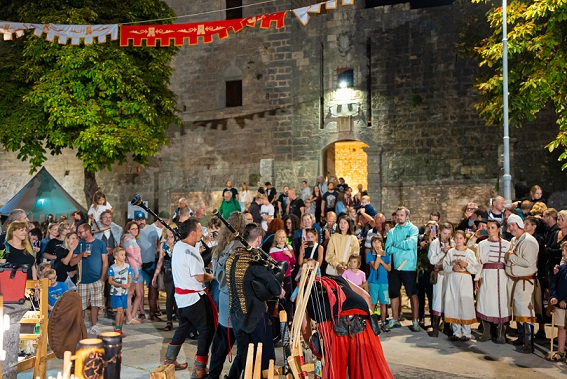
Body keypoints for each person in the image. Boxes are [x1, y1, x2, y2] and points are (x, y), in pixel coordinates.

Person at [302, 275, 393, 379]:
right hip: (361, 320)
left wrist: (313, 346)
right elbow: (367, 297)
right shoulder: (338, 279)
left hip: (332, 326)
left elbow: (305, 329)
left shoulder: (302, 293)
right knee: (369, 370)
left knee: (334, 372)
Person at [226, 224, 284, 379]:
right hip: (254, 316)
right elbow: (274, 286)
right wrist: (280, 290)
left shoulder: (231, 258)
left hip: (236, 315)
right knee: (266, 355)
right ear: (259, 239)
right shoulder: (253, 261)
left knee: (244, 355)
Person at [164, 218, 216, 377]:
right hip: (194, 298)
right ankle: (200, 368)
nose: (203, 233)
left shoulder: (179, 246)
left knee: (184, 326)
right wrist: (213, 277)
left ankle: (170, 358)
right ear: (193, 233)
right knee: (206, 329)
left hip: (181, 298)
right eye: (200, 230)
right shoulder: (192, 252)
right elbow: (200, 277)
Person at [208, 212, 246, 379]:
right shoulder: (240, 247)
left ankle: (213, 375)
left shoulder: (220, 246)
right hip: (236, 299)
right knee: (244, 345)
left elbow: (216, 274)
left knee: (221, 342)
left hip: (223, 297)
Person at [505, 214, 539, 353]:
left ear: (519, 224)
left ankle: (528, 342)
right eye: (509, 225)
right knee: (518, 309)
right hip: (515, 281)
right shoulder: (514, 240)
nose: (510, 228)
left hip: (525, 282)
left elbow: (528, 262)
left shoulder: (529, 241)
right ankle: (521, 337)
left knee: (525, 311)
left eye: (512, 225)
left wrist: (511, 256)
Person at [475, 219, 511, 344]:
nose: (490, 230)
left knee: (501, 303)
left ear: (498, 229)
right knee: (485, 301)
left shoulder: (507, 244)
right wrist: (477, 279)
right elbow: (479, 263)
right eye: (488, 228)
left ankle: (501, 334)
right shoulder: (482, 244)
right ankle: (486, 333)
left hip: (502, 276)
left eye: (493, 228)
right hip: (487, 275)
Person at [70, 222, 108, 335]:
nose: (79, 234)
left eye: (81, 232)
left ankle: (94, 325)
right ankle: (80, 326)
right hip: (82, 280)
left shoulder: (100, 243)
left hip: (97, 279)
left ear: (88, 231)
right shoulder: (79, 245)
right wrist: (81, 255)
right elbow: (72, 262)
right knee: (81, 305)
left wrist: (102, 278)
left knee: (95, 304)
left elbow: (105, 262)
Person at [385, 207, 420, 331]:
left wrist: (396, 244)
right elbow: (388, 249)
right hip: (395, 266)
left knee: (412, 294)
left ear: (407, 217)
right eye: (397, 215)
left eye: (401, 215)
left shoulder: (413, 229)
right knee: (394, 294)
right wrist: (402, 244)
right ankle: (395, 320)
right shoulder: (392, 232)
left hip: (409, 267)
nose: (399, 217)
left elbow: (411, 244)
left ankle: (415, 321)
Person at [443, 230, 478, 341]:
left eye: (460, 238)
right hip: (453, 279)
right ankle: (456, 331)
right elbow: (445, 266)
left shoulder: (469, 253)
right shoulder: (450, 252)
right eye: (456, 238)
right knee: (454, 303)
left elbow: (475, 268)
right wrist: (452, 268)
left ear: (465, 240)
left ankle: (466, 332)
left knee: (465, 303)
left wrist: (466, 264)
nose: (458, 240)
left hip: (465, 280)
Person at [428, 222, 454, 337]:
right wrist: (443, 252)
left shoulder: (452, 243)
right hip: (439, 274)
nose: (446, 236)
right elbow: (432, 261)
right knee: (438, 299)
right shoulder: (435, 243)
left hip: (450, 274)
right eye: (444, 233)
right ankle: (435, 327)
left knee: (448, 298)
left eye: (449, 234)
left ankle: (447, 325)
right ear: (439, 232)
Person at [134, 211, 161, 322]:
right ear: (135, 220)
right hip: (139, 264)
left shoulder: (152, 229)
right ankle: (141, 312)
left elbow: (157, 244)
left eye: (142, 219)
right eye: (138, 220)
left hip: (151, 262)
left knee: (152, 288)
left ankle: (152, 312)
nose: (141, 222)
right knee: (139, 291)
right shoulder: (134, 231)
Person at [269, 230, 296, 320]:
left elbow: (293, 262)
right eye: (280, 237)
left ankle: (290, 317)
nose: (282, 239)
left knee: (289, 296)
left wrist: (290, 255)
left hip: (288, 276)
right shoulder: (273, 250)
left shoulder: (289, 248)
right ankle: (280, 317)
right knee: (279, 297)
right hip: (278, 278)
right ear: (276, 239)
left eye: (283, 237)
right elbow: (271, 264)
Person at [367, 236, 391, 332]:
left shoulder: (387, 254)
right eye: (374, 242)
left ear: (382, 244)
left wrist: (381, 260)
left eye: (378, 242)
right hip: (373, 282)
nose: (376, 244)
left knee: (383, 303)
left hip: (384, 282)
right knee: (372, 303)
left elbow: (389, 268)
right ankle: (371, 322)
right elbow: (375, 267)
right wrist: (378, 256)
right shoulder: (370, 254)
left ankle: (384, 322)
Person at [121, 221, 143, 325]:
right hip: (133, 269)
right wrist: (135, 271)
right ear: (128, 230)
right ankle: (129, 317)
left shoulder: (133, 239)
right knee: (129, 293)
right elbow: (130, 257)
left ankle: (132, 315)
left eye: (136, 229)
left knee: (138, 293)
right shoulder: (128, 240)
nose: (135, 230)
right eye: (133, 229)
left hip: (137, 268)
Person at [107, 247, 133, 337]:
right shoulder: (112, 268)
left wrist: (129, 283)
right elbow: (110, 281)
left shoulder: (127, 266)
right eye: (122, 255)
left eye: (124, 255)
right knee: (120, 310)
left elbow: (129, 277)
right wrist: (120, 285)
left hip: (124, 292)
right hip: (115, 293)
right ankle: (117, 328)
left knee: (123, 311)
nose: (124, 257)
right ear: (116, 256)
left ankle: (120, 328)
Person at [548, 241, 567, 361]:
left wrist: (566, 300)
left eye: (565, 250)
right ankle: (560, 351)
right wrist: (554, 296)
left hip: (565, 302)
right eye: (563, 250)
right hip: (559, 304)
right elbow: (554, 284)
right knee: (561, 327)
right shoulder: (560, 268)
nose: (563, 253)